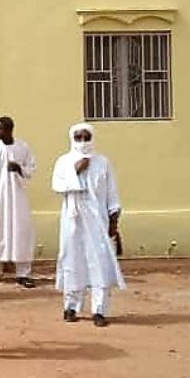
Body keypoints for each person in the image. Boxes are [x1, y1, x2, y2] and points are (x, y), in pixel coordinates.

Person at [52, 123, 125, 327]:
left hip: (97, 221)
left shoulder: (103, 163)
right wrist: (75, 171)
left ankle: (99, 310)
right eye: (78, 137)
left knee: (98, 263)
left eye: (86, 137)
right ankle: (71, 307)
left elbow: (112, 194)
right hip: (72, 221)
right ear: (72, 138)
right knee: (72, 261)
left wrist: (114, 221)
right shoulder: (64, 162)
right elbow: (57, 185)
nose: (83, 141)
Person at [0, 116, 38, 288]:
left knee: (21, 233)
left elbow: (32, 168)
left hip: (17, 198)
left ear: (10, 129)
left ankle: (23, 273)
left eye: (2, 129)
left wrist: (19, 169)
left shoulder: (22, 147)